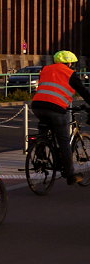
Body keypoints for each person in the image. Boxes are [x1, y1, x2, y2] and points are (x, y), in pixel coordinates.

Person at [31, 50, 90, 185]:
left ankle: (41, 157)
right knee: (63, 141)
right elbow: (83, 91)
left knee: (44, 130)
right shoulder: (70, 73)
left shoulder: (45, 69)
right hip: (56, 108)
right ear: (69, 63)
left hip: (37, 106)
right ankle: (70, 176)